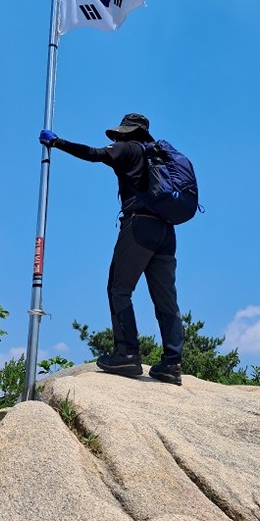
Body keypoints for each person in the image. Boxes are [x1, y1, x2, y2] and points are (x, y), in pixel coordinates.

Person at [39, 113, 184, 386]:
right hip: (166, 231)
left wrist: (57, 142)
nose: (116, 138)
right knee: (166, 300)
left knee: (119, 288)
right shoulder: (158, 155)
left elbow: (93, 154)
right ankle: (171, 364)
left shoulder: (128, 148)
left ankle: (127, 353)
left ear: (127, 132)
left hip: (139, 226)